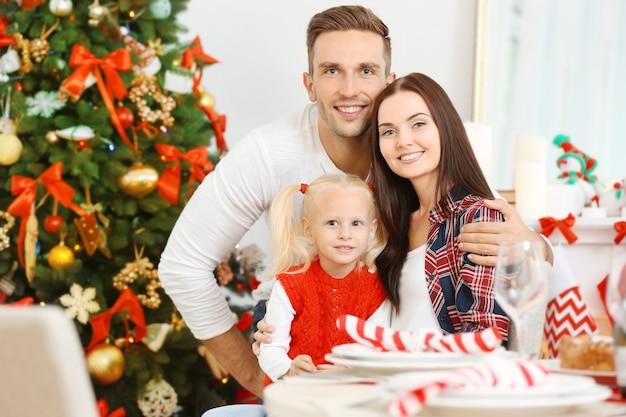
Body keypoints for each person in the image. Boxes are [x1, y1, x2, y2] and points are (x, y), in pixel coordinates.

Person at [158, 4, 552, 404]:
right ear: (310, 85)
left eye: (366, 70)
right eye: (331, 71)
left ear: (388, 82)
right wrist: (258, 378)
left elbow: (492, 224)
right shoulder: (268, 152)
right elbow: (182, 266)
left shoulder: (413, 155)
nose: (349, 89)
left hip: (383, 359)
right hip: (301, 341)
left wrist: (534, 246)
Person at [368, 72, 509, 337]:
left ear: (444, 127)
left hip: (444, 375)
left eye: (418, 124)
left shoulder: (478, 217)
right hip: (382, 372)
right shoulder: (385, 221)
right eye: (388, 131)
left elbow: (485, 336)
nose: (403, 141)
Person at [259, 173, 390, 382]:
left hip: (351, 399)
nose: (345, 234)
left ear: (371, 230)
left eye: (356, 223)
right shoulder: (291, 284)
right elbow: (270, 346)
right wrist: (289, 369)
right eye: (332, 223)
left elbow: (380, 351)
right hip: (296, 397)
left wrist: (351, 372)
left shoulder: (376, 288)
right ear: (309, 230)